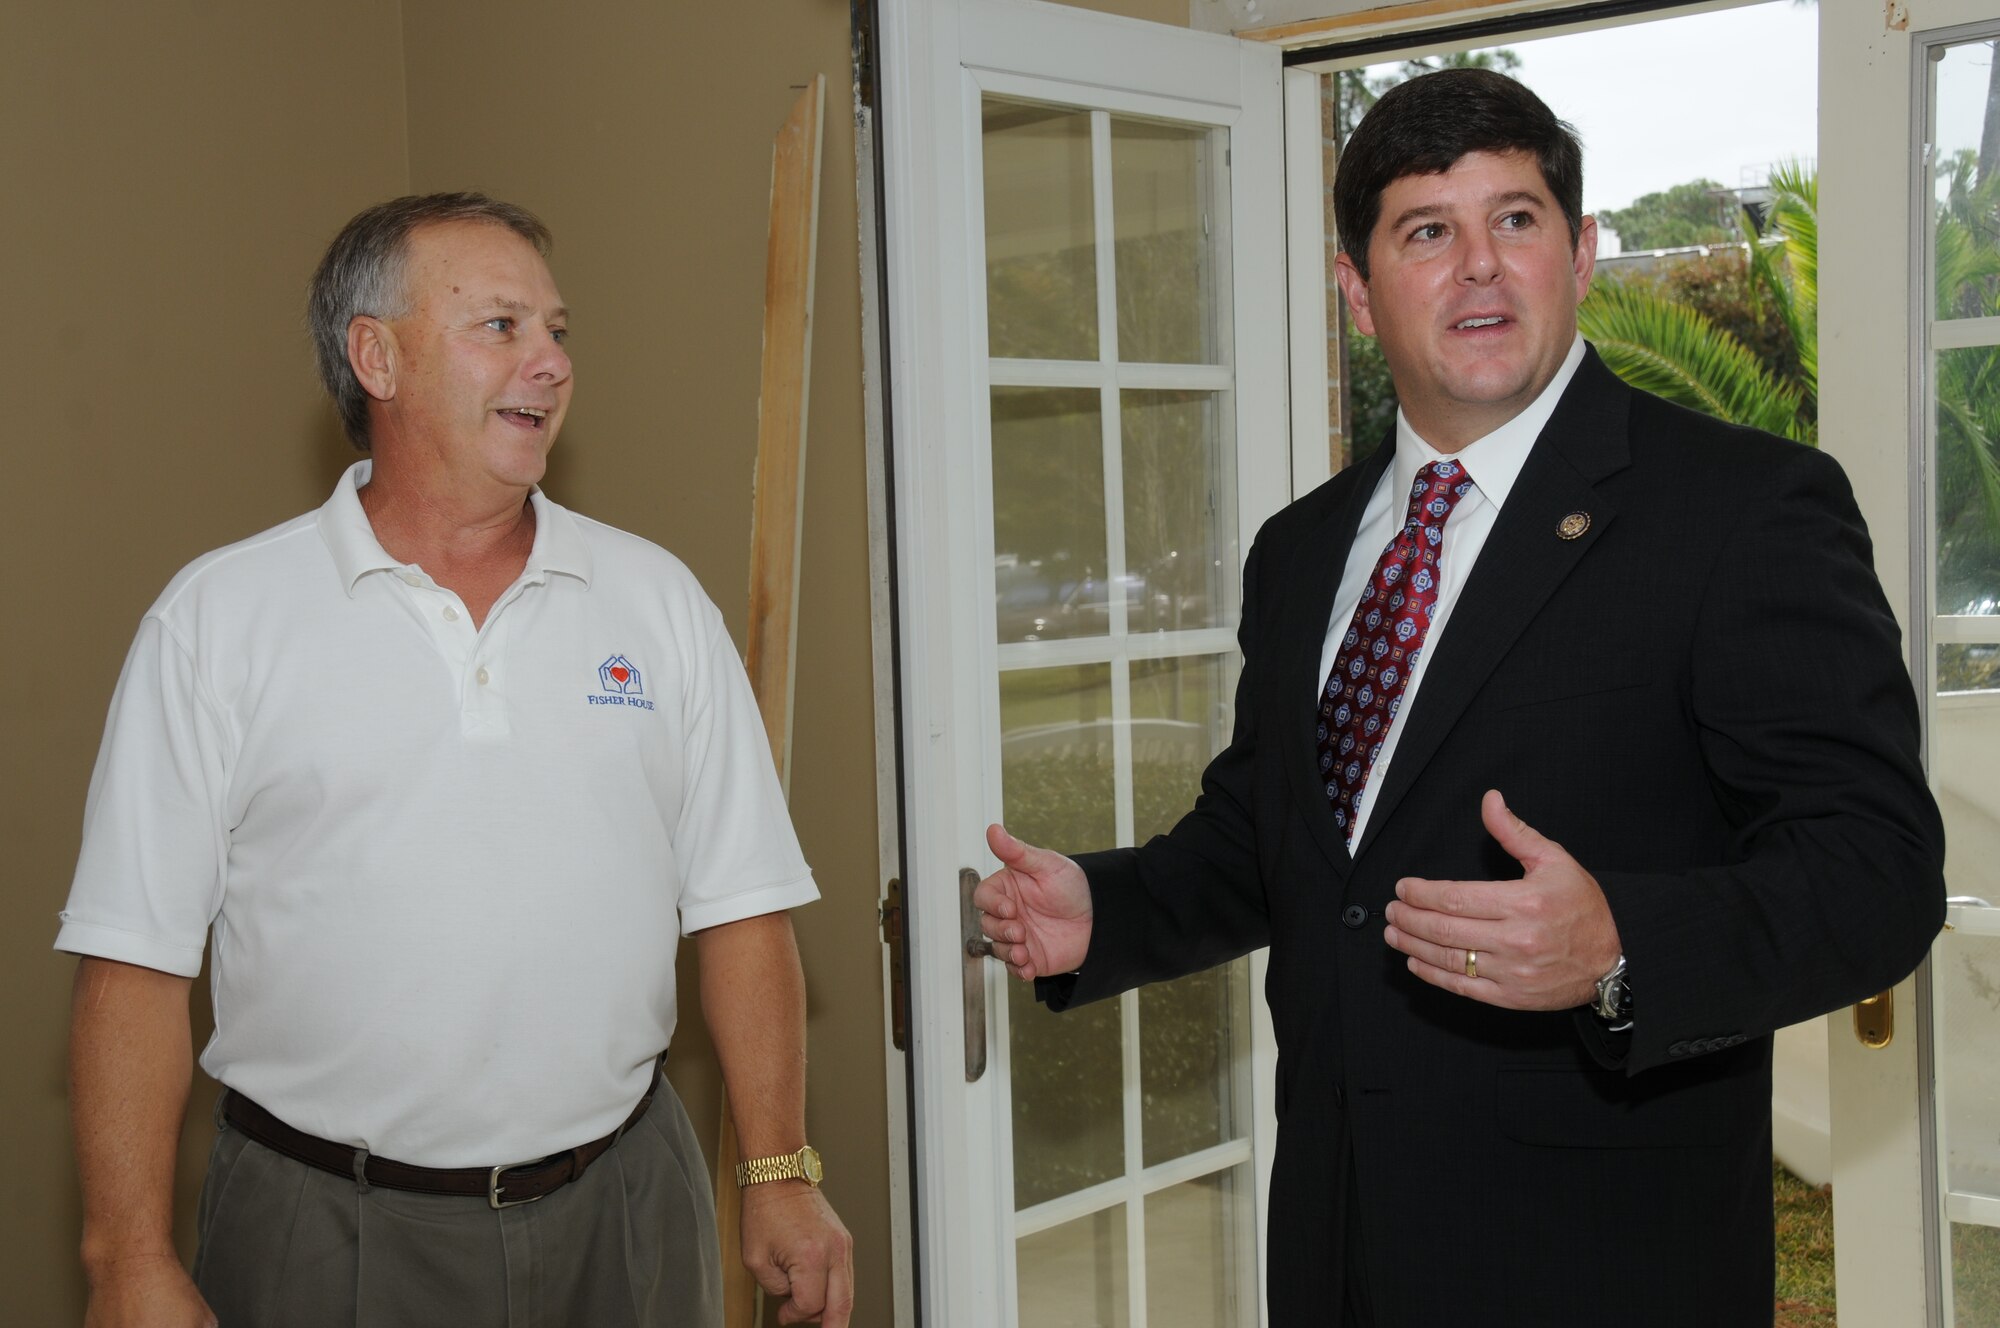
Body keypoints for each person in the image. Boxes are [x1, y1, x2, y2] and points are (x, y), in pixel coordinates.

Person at [973, 69, 1945, 1327]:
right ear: (1355, 288)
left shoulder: (1740, 509)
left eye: (1517, 220)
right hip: (1338, 1247)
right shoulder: (1300, 549)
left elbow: (1875, 872)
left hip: (1600, 1269)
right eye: (1427, 231)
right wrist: (1102, 908)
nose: (1478, 266)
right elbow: (1281, 839)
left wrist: (1618, 948)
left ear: (1581, 254)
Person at [59, 193, 852, 1328]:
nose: (548, 362)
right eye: (500, 326)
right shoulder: (216, 622)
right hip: (322, 1229)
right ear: (374, 355)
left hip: (626, 1206)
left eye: (557, 330)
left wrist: (780, 1171)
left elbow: (744, 908)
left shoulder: (656, 600)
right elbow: (131, 966)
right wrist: (124, 1255)